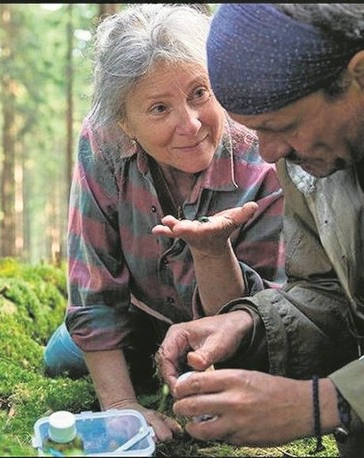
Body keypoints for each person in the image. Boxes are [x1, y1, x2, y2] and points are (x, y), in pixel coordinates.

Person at [155, 3, 364, 456]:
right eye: (255, 132)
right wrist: (249, 324)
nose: (270, 151)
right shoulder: (314, 153)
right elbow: (330, 294)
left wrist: (319, 405)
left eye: (282, 126)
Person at [42, 3, 285, 443]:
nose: (189, 125)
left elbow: (265, 317)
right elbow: (94, 285)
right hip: (141, 314)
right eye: (159, 108)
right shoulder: (102, 141)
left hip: (237, 330)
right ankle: (141, 362)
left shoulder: (262, 148)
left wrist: (213, 252)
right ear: (124, 123)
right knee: (62, 357)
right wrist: (121, 407)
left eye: (199, 93)